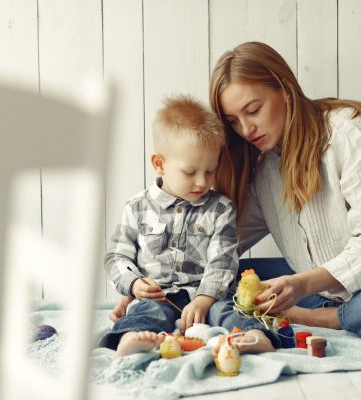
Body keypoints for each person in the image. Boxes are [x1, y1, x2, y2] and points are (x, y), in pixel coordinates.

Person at [100, 95, 277, 357]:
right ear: (160, 164)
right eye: (190, 172)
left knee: (227, 310)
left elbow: (223, 260)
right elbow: (117, 255)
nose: (201, 182)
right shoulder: (137, 207)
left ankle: (255, 336)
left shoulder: (220, 209)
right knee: (146, 311)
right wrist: (133, 284)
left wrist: (205, 298)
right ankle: (130, 339)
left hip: (207, 294)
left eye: (209, 171)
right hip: (158, 296)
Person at [208, 41, 361, 336]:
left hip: (348, 295)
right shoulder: (266, 171)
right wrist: (148, 280)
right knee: (223, 276)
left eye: (253, 110)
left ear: (285, 89)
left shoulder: (347, 136)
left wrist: (302, 285)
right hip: (320, 290)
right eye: (233, 121)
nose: (245, 129)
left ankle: (319, 318)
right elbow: (224, 241)